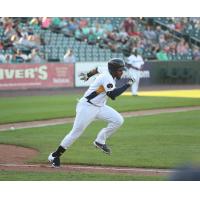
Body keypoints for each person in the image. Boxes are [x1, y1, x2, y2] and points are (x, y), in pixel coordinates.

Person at [48, 58, 134, 167]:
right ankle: (55, 156)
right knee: (75, 133)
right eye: (120, 70)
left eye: (122, 70)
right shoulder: (107, 77)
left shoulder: (107, 71)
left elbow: (97, 69)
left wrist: (88, 75)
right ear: (113, 70)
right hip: (87, 107)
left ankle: (100, 141)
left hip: (99, 106)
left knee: (118, 120)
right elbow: (112, 95)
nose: (122, 72)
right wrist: (128, 84)